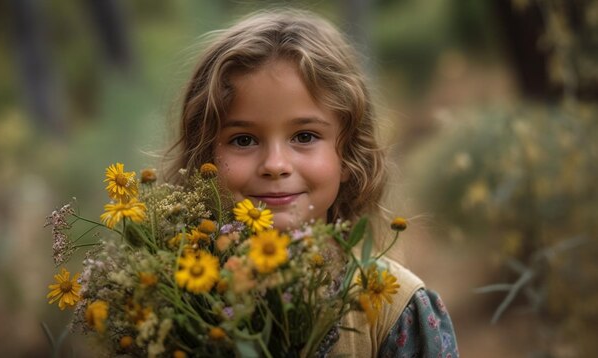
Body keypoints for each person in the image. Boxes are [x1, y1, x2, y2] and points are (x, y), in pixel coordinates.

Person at [164, 9, 459, 357]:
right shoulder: (173, 302)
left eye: (304, 136)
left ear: (348, 156)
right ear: (205, 162)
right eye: (244, 140)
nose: (275, 165)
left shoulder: (395, 310)